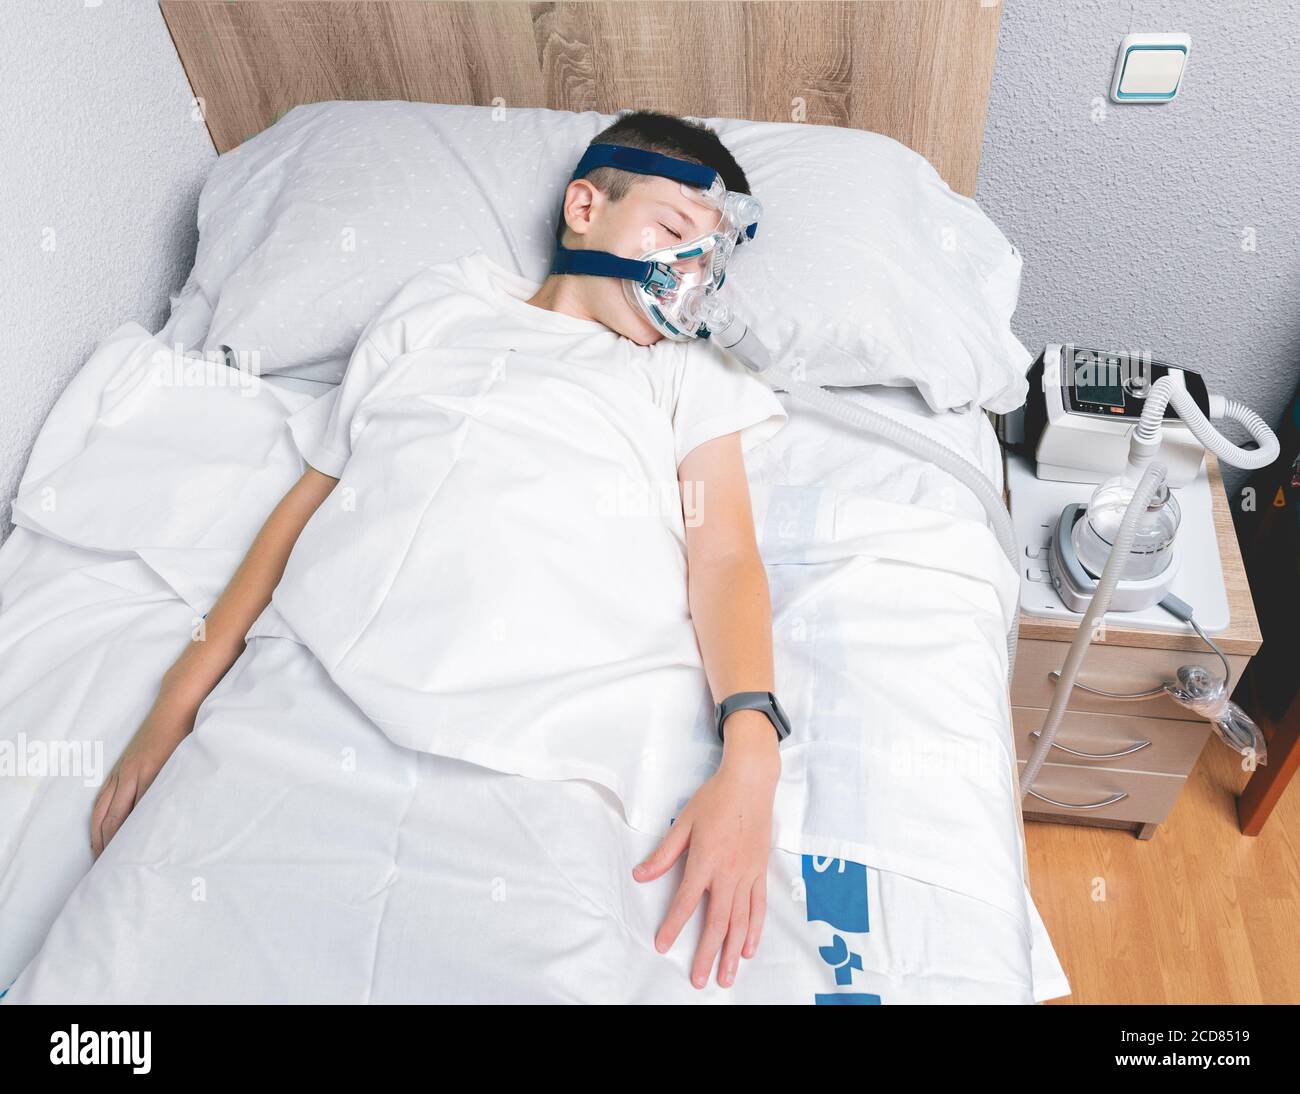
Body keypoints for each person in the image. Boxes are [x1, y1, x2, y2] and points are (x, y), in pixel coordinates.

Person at [89, 110, 789, 992]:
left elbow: (725, 558)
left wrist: (752, 757)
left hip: (544, 756)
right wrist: (173, 706)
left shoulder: (684, 370)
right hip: (303, 704)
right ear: (585, 205)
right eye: (673, 232)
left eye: (709, 260)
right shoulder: (445, 304)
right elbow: (308, 502)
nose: (687, 275)